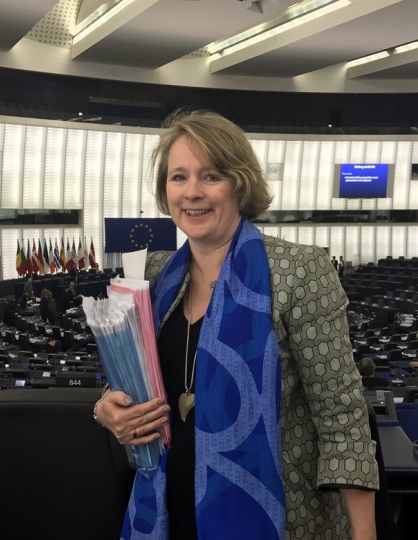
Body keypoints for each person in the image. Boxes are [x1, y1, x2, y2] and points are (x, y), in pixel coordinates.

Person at [94, 110, 377, 540]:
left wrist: (364, 535)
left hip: (277, 520)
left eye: (210, 176)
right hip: (166, 515)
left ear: (240, 183)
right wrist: (106, 410)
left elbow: (343, 420)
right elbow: (135, 382)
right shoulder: (151, 278)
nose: (192, 193)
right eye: (178, 177)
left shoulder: (299, 272)